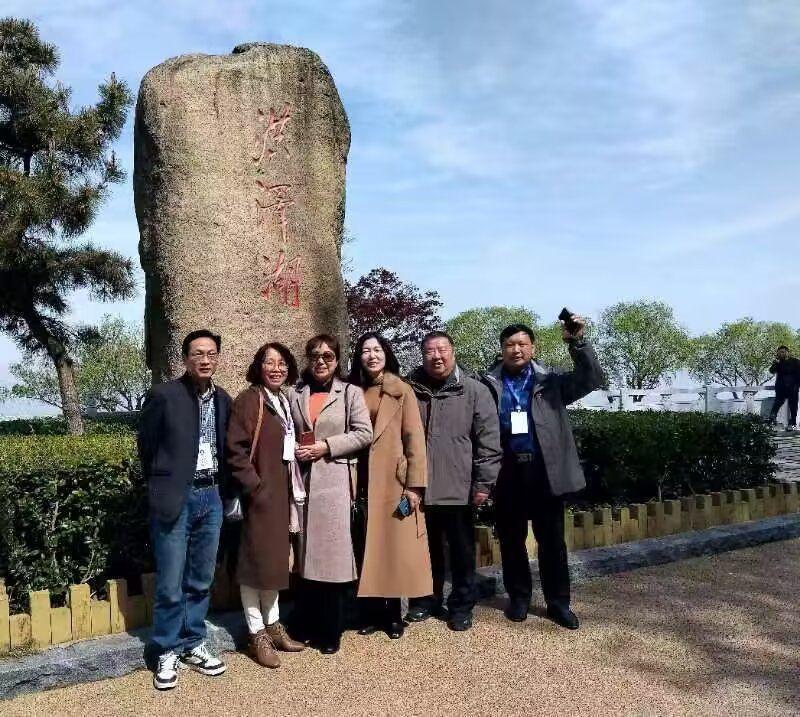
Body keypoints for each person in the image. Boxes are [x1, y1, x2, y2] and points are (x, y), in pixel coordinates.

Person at [480, 317, 603, 630]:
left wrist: (577, 342)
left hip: (545, 469)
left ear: (532, 348)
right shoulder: (488, 384)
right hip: (507, 469)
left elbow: (591, 378)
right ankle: (519, 597)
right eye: (510, 344)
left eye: (522, 344)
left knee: (552, 542)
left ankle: (558, 603)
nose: (516, 349)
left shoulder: (552, 382)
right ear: (501, 349)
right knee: (511, 540)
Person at [138, 329, 231, 691]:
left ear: (217, 357)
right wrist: (159, 486)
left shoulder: (223, 399)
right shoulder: (164, 395)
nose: (205, 360)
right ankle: (166, 648)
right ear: (185, 358)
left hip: (212, 496)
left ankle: (193, 641)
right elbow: (146, 446)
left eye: (211, 353)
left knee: (201, 579)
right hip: (176, 496)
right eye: (198, 353)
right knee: (170, 583)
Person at [405, 331, 502, 631]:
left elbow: (488, 441)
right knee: (424, 551)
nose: (436, 356)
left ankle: (461, 606)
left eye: (442, 350)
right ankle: (425, 600)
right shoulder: (410, 390)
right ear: (422, 355)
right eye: (430, 351)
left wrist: (483, 484)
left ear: (453, 352)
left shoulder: (474, 390)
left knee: (461, 553)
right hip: (419, 486)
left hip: (459, 487)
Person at [288, 334, 373, 654]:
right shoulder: (295, 394)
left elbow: (364, 434)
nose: (321, 361)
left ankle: (331, 629)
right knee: (305, 556)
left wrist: (326, 446)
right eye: (314, 356)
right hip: (302, 481)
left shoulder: (350, 392)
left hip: (335, 481)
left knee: (333, 558)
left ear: (337, 360)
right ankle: (306, 622)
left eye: (327, 356)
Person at [346, 332, 432, 639]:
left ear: (386, 354)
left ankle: (393, 614)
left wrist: (415, 486)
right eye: (365, 350)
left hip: (392, 479)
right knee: (364, 545)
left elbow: (415, 439)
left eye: (377, 350)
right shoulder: (351, 390)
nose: (371, 356)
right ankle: (370, 612)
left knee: (392, 546)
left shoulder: (401, 390)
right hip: (359, 477)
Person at [226, 342, 306, 667]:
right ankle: (256, 632)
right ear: (258, 367)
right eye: (269, 362)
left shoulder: (282, 400)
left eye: (282, 362)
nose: (277, 368)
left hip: (280, 494)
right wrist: (255, 487)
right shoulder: (250, 400)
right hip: (259, 496)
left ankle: (273, 625)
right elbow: (235, 450)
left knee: (272, 563)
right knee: (253, 565)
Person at [768, 346, 800, 430]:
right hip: (781, 388)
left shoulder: (795, 361)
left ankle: (792, 424)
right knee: (777, 403)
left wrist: (797, 385)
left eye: (782, 352)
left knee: (793, 406)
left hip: (793, 388)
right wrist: (775, 363)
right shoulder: (778, 363)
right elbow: (771, 371)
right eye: (779, 353)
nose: (781, 354)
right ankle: (772, 421)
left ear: (787, 352)